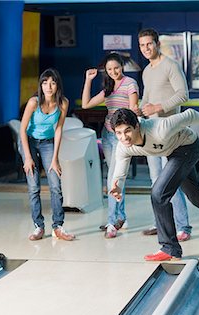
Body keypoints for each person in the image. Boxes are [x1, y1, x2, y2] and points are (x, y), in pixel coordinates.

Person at [109, 108, 199, 262]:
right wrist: (117, 185)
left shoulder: (160, 128)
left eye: (127, 131)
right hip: (172, 152)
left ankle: (170, 248)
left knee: (158, 194)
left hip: (188, 147)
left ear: (137, 126)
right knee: (195, 195)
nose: (124, 137)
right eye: (118, 133)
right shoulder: (123, 146)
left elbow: (190, 114)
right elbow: (120, 169)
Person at [136, 28, 192, 242]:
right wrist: (139, 112)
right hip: (151, 132)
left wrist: (158, 107)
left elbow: (183, 95)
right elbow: (146, 98)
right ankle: (162, 224)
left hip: (170, 131)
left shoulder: (171, 65)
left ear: (157, 43)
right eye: (142, 45)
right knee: (155, 180)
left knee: (170, 181)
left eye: (149, 44)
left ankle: (183, 226)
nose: (146, 48)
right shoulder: (147, 71)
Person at [81, 52, 139, 238]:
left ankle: (112, 222)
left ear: (122, 66)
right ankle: (121, 216)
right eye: (109, 69)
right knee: (114, 177)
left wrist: (128, 136)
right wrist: (88, 80)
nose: (114, 72)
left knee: (112, 179)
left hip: (122, 138)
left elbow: (132, 113)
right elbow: (86, 104)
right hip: (107, 135)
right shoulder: (108, 88)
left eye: (116, 68)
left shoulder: (130, 84)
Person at [19, 68, 75, 241]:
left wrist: (55, 159)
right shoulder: (33, 103)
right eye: (45, 82)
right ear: (40, 85)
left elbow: (58, 129)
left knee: (55, 185)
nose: (48, 86)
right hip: (29, 141)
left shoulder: (63, 103)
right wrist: (28, 157)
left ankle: (58, 226)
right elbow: (22, 129)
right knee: (34, 186)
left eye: (52, 82)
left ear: (57, 84)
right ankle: (38, 226)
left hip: (48, 143)